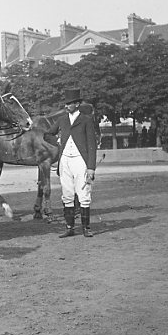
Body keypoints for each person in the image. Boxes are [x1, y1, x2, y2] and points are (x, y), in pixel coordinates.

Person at [45, 88, 97, 238]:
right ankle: (69, 228)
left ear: (77, 104)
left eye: (69, 104)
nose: (66, 106)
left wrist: (91, 168)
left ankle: (86, 228)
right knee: (67, 194)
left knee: (83, 193)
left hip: (80, 160)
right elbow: (47, 134)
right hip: (65, 160)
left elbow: (92, 145)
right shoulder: (62, 119)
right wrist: (57, 141)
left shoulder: (86, 120)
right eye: (66, 104)